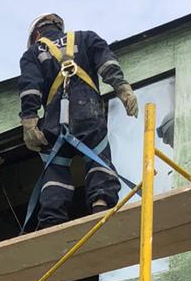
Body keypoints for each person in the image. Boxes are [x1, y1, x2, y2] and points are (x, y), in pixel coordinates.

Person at [19, 13, 139, 230]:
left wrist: (29, 120)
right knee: (97, 156)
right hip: (88, 112)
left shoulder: (32, 53)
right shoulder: (86, 38)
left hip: (54, 122)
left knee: (55, 169)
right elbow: (107, 63)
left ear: (37, 34)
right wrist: (122, 88)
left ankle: (52, 220)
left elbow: (30, 87)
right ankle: (100, 203)